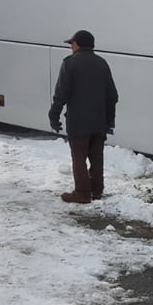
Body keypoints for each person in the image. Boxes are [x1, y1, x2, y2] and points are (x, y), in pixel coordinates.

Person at [48, 29, 118, 203]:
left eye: (72, 43)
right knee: (96, 157)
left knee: (79, 157)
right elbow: (112, 95)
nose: (71, 46)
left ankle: (82, 192)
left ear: (78, 44)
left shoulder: (70, 64)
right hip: (99, 121)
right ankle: (97, 190)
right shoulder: (102, 63)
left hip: (78, 122)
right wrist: (109, 120)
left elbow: (61, 93)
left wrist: (53, 116)